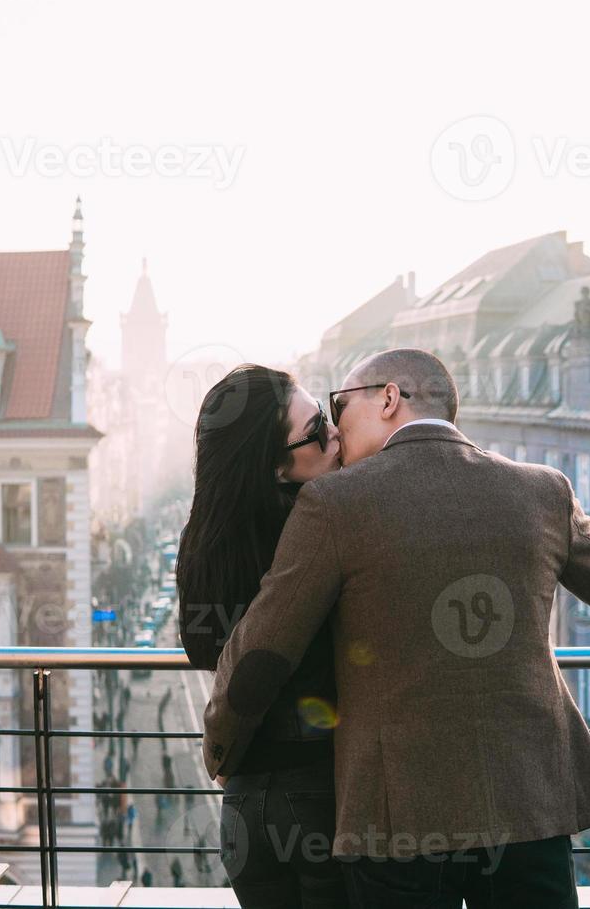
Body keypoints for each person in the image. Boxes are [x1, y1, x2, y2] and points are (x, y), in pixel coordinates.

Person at [202, 348, 590, 908]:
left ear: (389, 398)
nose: (335, 426)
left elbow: (263, 648)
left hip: (398, 819)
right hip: (528, 803)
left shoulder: (333, 503)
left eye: (340, 405)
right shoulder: (541, 489)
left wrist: (220, 749)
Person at [177, 364, 349, 908]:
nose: (336, 433)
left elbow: (205, 648)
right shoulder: (318, 528)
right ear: (277, 466)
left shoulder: (207, 537)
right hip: (320, 792)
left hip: (246, 806)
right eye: (318, 427)